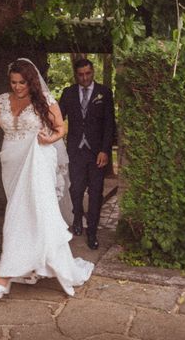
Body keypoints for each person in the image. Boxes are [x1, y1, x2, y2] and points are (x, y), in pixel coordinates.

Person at [0, 58, 94, 300]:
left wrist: (48, 139)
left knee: (24, 214)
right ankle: (32, 265)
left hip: (38, 160)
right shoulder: (2, 101)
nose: (17, 86)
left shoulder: (44, 100)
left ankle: (3, 278)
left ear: (31, 81)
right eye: (13, 82)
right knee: (24, 213)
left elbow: (60, 129)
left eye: (22, 82)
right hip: (11, 163)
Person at [59, 58, 115, 250]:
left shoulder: (104, 93)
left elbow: (109, 124)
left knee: (96, 192)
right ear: (76, 75)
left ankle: (92, 231)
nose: (85, 78)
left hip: (97, 152)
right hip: (75, 150)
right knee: (75, 189)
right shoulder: (68, 93)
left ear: (93, 72)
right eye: (81, 75)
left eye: (88, 74)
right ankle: (76, 217)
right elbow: (57, 118)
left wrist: (105, 150)